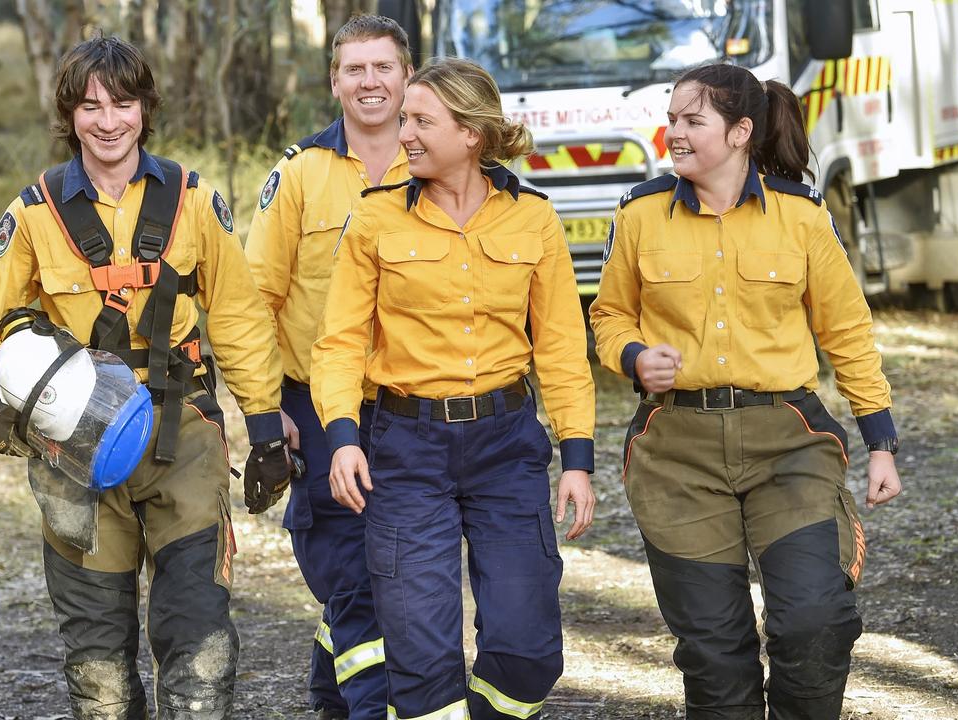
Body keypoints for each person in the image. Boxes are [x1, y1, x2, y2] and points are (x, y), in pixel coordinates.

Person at [0, 35, 290, 720]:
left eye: (123, 103)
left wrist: (265, 429)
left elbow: (238, 316)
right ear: (68, 114)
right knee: (98, 663)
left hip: (183, 437)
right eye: (90, 106)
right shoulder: (33, 214)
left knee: (198, 641)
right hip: (69, 446)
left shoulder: (193, 202)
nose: (107, 121)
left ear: (146, 108)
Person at [589, 62, 903, 719]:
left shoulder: (802, 217)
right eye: (671, 118)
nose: (672, 132)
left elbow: (846, 330)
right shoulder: (640, 213)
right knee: (713, 652)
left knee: (815, 620)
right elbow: (608, 315)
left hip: (789, 445)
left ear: (739, 133)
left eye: (691, 121)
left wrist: (881, 441)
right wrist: (634, 356)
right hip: (676, 454)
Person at [312, 57, 597, 720]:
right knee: (421, 654)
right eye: (405, 117)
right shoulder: (376, 220)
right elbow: (339, 344)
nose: (402, 131)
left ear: (471, 133)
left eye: (419, 120)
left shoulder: (535, 219)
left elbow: (559, 350)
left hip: (506, 446)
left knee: (528, 651)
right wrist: (343, 440)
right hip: (404, 449)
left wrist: (577, 459)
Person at [244, 13, 412, 719]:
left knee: (391, 570)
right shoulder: (299, 175)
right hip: (313, 406)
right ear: (334, 80)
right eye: (355, 69)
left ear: (407, 75)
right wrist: (264, 407)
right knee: (349, 569)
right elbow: (251, 301)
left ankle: (330, 694)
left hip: (410, 407)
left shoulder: (437, 163)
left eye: (383, 68)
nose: (369, 82)